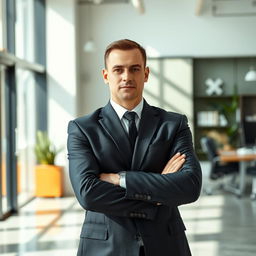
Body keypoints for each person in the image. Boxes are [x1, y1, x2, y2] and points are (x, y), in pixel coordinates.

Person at [67, 39, 202, 256]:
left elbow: (190, 186)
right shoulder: (83, 128)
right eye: (118, 70)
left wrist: (120, 179)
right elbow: (88, 193)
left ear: (146, 74)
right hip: (105, 247)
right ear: (105, 76)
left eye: (134, 69)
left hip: (165, 243)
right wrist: (157, 196)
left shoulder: (174, 124)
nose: (126, 77)